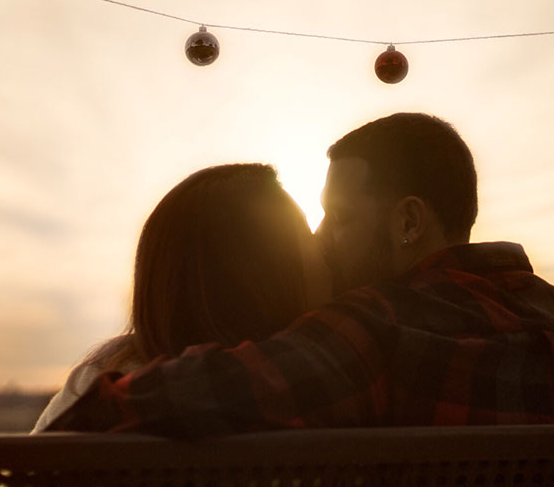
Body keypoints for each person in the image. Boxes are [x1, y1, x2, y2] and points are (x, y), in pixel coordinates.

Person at [46, 113, 554, 435]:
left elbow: (172, 398)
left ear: (408, 221)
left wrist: (95, 386)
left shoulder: (378, 329)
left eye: (337, 218)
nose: (321, 241)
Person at [32, 163, 331, 431]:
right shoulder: (300, 384)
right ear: (269, 273)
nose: (325, 246)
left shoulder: (101, 383)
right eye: (306, 238)